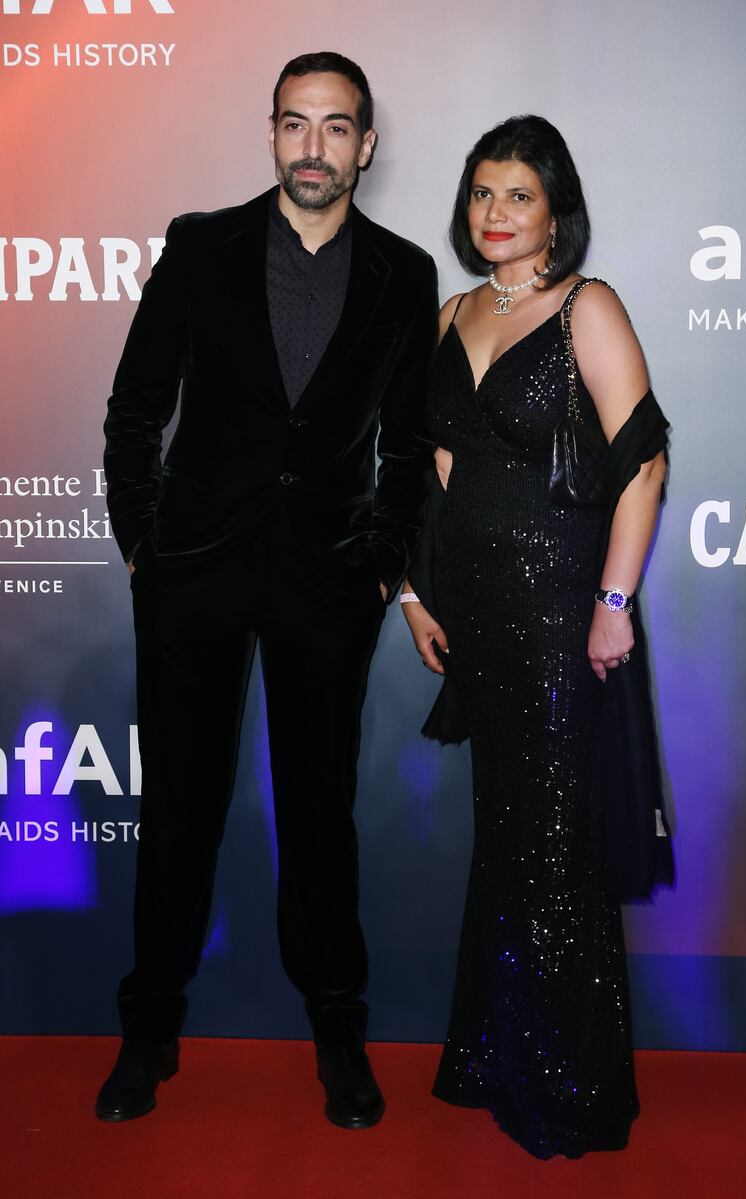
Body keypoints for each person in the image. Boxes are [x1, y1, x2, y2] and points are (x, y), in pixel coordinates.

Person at [97, 51, 438, 1128]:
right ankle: (148, 1028)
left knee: (319, 814)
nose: (313, 147)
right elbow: (132, 411)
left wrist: (380, 557)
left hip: (324, 580)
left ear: (365, 146)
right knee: (180, 813)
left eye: (336, 129)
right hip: (192, 574)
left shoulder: (403, 271)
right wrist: (146, 546)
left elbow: (409, 437)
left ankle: (337, 1027)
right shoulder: (200, 248)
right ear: (271, 133)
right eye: (295, 124)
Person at [402, 115, 668, 1159]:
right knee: (506, 835)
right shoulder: (449, 312)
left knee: (555, 845)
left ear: (554, 205)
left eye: (516, 193)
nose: (495, 213)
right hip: (471, 614)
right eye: (480, 193)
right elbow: (430, 467)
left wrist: (613, 598)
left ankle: (566, 1083)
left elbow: (641, 460)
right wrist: (419, 600)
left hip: (560, 609)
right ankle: (490, 1047)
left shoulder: (584, 307)